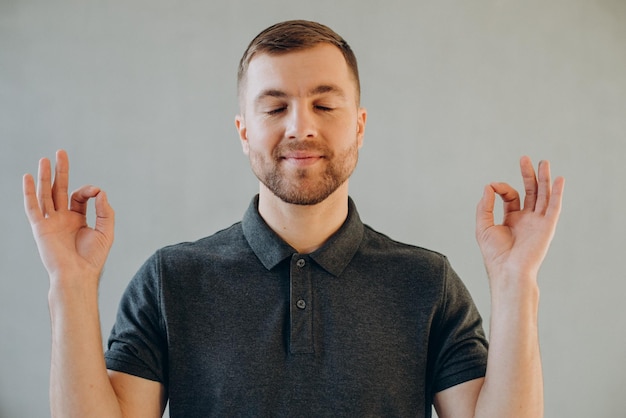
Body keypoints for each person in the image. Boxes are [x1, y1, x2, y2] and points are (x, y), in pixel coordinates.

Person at [23, 20, 564, 418]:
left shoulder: (427, 283)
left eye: (325, 106)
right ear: (243, 131)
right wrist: (69, 284)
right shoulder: (171, 279)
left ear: (359, 125)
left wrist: (517, 281)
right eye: (275, 107)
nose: (300, 127)